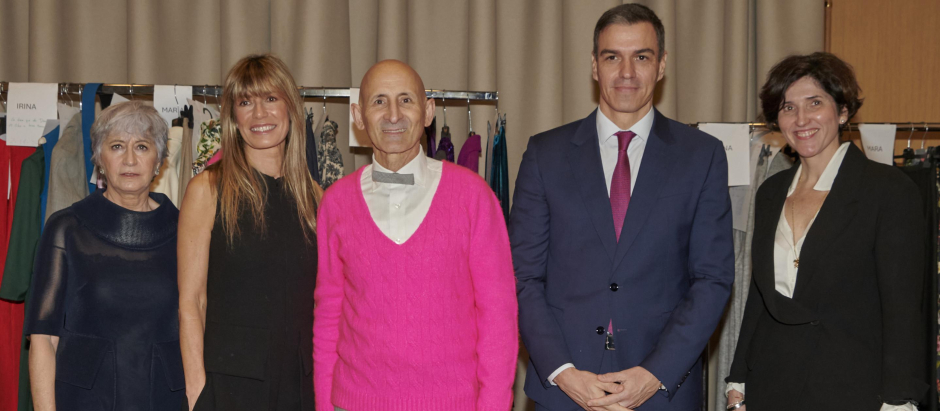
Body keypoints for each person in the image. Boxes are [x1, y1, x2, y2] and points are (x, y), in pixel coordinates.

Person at [511, 4, 734, 410]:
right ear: (595, 66)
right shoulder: (545, 154)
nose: (626, 72)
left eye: (642, 57)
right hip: (565, 392)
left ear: (661, 65)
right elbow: (523, 277)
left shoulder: (702, 156)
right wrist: (563, 372)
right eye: (612, 57)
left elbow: (713, 279)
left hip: (662, 393)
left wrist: (654, 374)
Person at [725, 52, 928, 411]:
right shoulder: (771, 192)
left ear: (843, 110)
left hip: (853, 388)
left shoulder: (888, 190)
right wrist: (738, 375)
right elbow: (760, 297)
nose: (801, 119)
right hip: (771, 383)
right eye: (788, 107)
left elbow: (904, 309)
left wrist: (900, 399)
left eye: (815, 103)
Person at [313, 59, 518, 411]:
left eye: (405, 100)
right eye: (379, 101)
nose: (393, 114)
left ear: (428, 111)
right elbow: (328, 315)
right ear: (358, 117)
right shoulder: (335, 203)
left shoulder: (473, 196)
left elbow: (498, 317)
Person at [178, 54, 322, 411]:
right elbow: (191, 302)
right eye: (246, 102)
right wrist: (197, 391)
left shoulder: (317, 197)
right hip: (229, 386)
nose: (260, 114)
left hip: (301, 384)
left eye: (271, 99)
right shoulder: (208, 189)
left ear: (291, 106)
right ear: (233, 117)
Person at [24, 101, 183, 410]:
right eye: (116, 146)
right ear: (99, 157)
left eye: (142, 146)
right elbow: (43, 339)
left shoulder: (185, 230)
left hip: (165, 399)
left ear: (160, 160)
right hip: (84, 401)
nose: (130, 159)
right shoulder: (66, 228)